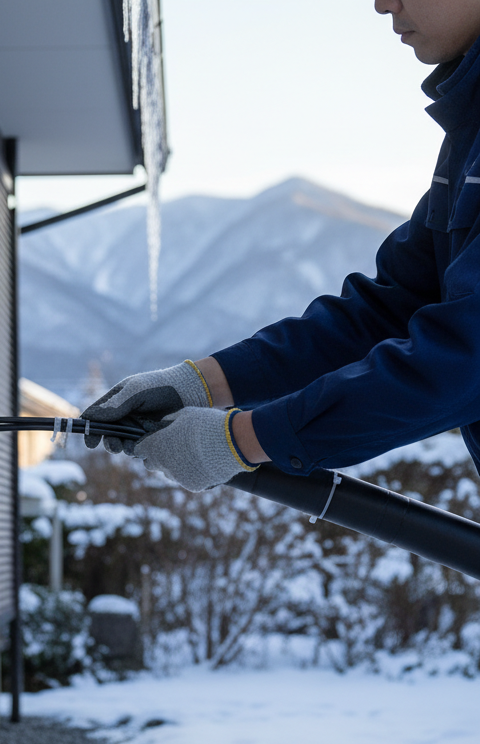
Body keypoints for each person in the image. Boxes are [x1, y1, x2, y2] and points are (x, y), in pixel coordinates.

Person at [82, 0, 480, 492]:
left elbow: (465, 358)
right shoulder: (469, 139)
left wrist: (240, 440)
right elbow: (387, 311)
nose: (381, 4)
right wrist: (201, 383)